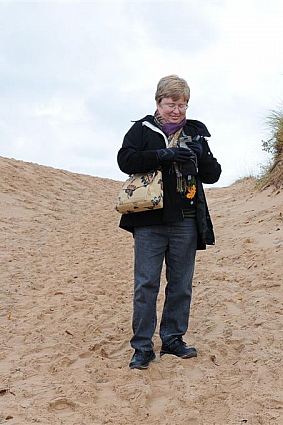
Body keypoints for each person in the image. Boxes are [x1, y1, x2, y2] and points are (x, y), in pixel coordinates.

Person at [117, 75, 222, 370]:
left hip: (186, 220)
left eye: (182, 104)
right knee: (146, 284)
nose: (176, 110)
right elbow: (125, 160)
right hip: (149, 221)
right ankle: (142, 347)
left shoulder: (196, 133)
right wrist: (164, 155)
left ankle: (173, 340)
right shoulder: (141, 130)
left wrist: (201, 157)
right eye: (170, 104)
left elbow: (213, 174)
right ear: (158, 103)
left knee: (180, 285)